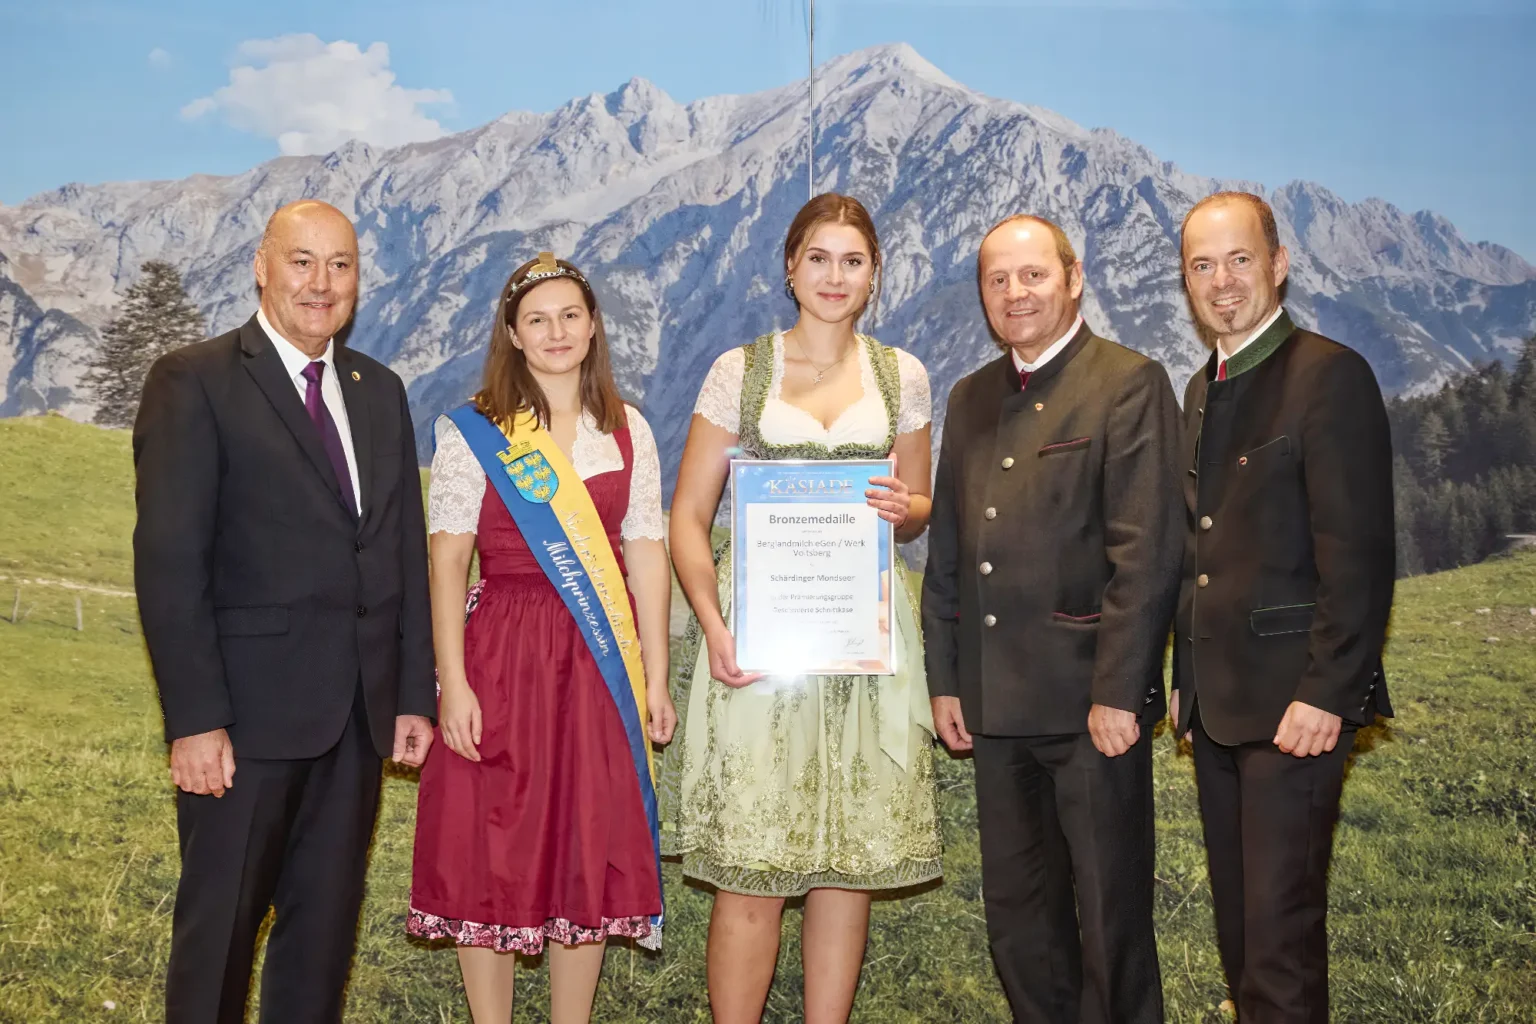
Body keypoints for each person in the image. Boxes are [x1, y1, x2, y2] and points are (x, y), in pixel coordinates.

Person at [132, 199, 437, 1023]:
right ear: (261, 266)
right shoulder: (193, 380)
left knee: (321, 943)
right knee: (218, 940)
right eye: (301, 261)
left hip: (357, 723)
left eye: (340, 265)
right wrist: (195, 719)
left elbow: (400, 547)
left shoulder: (380, 390)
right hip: (243, 727)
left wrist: (414, 693)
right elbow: (169, 563)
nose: (321, 283)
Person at [661, 193, 942, 1024]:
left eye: (852, 261)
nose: (834, 276)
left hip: (862, 645)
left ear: (874, 275)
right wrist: (715, 628)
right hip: (761, 647)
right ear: (790, 266)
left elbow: (921, 502)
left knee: (844, 865)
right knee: (751, 868)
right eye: (818, 258)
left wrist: (907, 511)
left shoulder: (904, 375)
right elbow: (687, 517)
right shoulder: (739, 371)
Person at [922, 214, 1181, 1023]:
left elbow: (1147, 553)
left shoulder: (1129, 382)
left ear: (1073, 278)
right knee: (1019, 925)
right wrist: (946, 680)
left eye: (1032, 275)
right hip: (995, 709)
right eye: (997, 280)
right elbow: (952, 556)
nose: (1014, 293)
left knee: (1111, 925)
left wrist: (1119, 690)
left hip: (1088, 710)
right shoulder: (970, 398)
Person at [407, 253, 675, 1024]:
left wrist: (654, 678)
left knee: (582, 839)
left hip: (598, 662)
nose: (556, 332)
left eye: (570, 315)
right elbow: (449, 557)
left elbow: (646, 555)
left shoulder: (630, 431)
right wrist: (451, 682)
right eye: (537, 319)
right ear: (513, 335)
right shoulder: (475, 430)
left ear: (593, 326)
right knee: (489, 837)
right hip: (501, 653)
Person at [1172, 191, 1395, 1023]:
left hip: (1296, 707)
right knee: (1240, 940)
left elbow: (1359, 557)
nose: (1222, 281)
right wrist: (1186, 688)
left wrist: (1328, 692)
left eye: (1238, 259)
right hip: (1219, 713)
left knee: (1280, 944)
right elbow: (1201, 554)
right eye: (1202, 265)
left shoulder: (1329, 375)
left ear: (1279, 263)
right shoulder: (1201, 388)